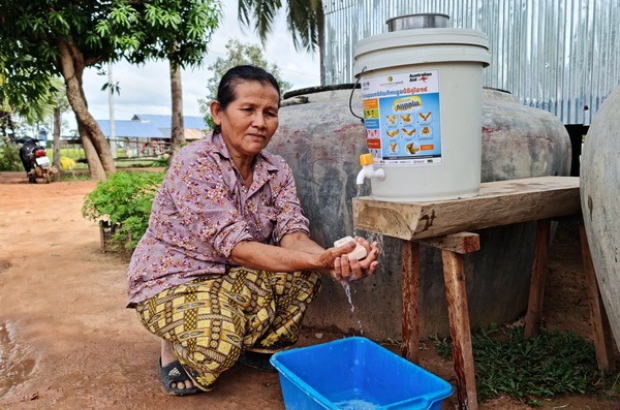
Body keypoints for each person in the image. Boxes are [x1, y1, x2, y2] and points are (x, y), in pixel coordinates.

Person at [126, 65, 380, 396]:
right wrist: (321, 261)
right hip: (175, 279)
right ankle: (173, 344)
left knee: (301, 273)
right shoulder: (194, 163)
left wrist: (334, 259)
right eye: (248, 109)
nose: (260, 122)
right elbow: (238, 248)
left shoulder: (276, 170)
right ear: (218, 112)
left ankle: (257, 347)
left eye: (270, 112)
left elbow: (293, 237)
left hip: (232, 275)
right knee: (215, 349)